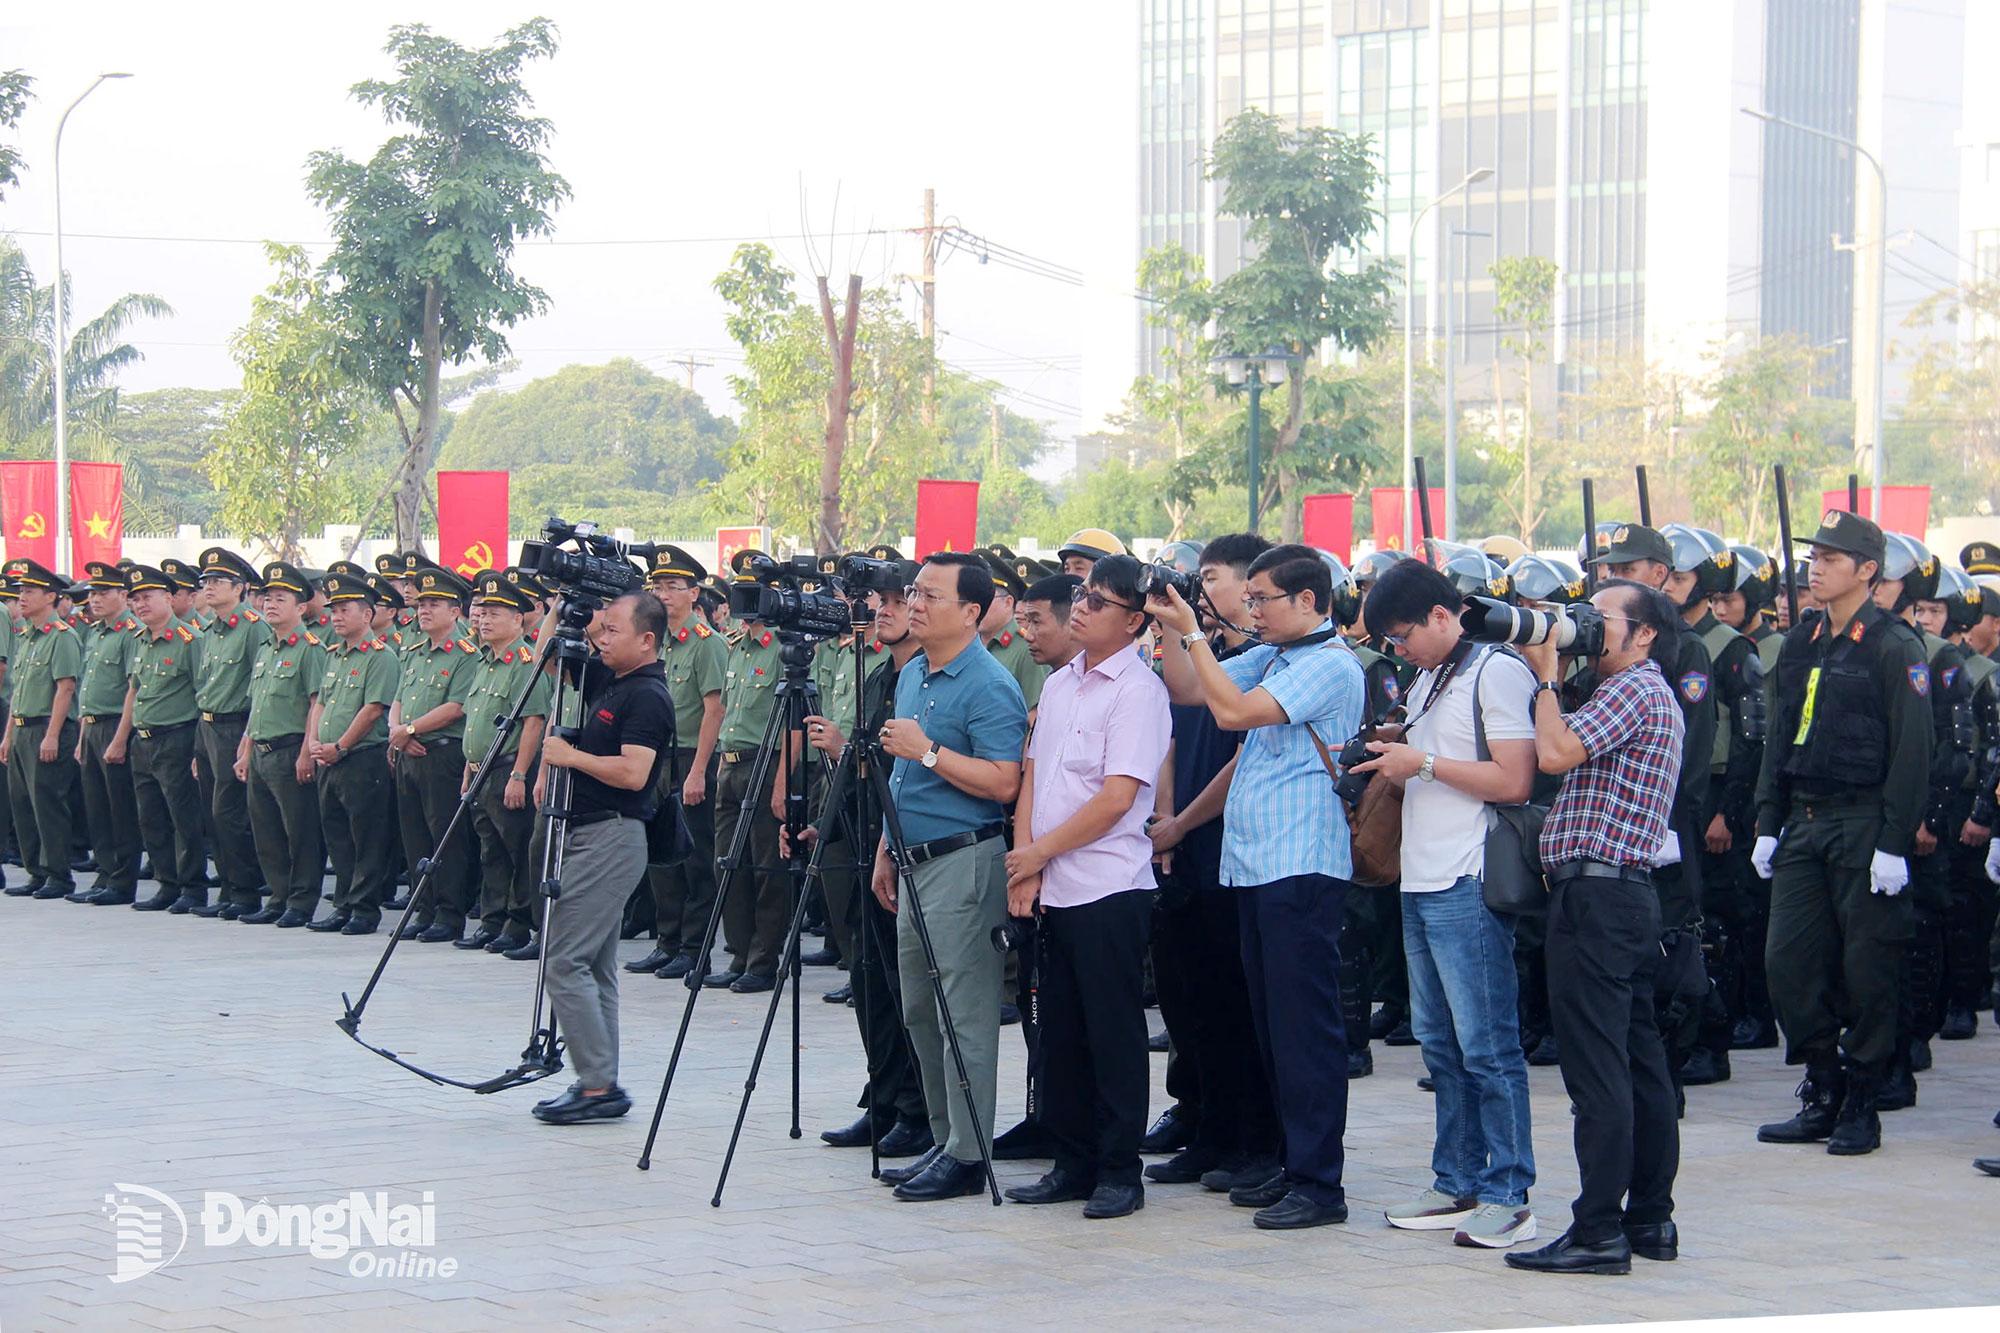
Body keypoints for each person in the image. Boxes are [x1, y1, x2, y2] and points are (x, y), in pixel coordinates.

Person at [1151, 543, 1365, 1231]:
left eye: (1264, 598)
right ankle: (1288, 1159)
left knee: (1304, 1029)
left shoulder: (1329, 663)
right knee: (1272, 1024)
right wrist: (1168, 617)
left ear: (1309, 600)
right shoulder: (1277, 655)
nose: (1252, 609)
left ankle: (1318, 1181)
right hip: (1258, 862)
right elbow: (1190, 687)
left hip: (1300, 862)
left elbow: (1234, 713)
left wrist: (1190, 629)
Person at [1354, 558, 1541, 1250]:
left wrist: (1422, 763)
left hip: (1468, 878)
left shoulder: (1497, 670)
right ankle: (1456, 1180)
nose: (1397, 651)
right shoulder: (1433, 674)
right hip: (1421, 879)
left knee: (1488, 1045)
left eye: (1403, 635)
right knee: (1440, 1046)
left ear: (1442, 615)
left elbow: (1515, 779)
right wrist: (1399, 749)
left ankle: (1510, 1191)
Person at [1504, 578, 1685, 1277]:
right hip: (1622, 899)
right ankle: (1649, 1217)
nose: (1582, 626)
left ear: (1643, 634)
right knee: (1640, 1065)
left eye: (1598, 618)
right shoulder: (1629, 690)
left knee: (1598, 1070)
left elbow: (1554, 754)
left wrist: (1548, 677)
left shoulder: (1636, 688)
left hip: (1598, 901)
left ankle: (1598, 1228)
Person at [1751, 511, 1931, 1156]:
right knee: (1788, 963)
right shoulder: (1800, 641)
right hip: (1802, 819)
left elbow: (1913, 750)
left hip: (1863, 822)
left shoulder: (1892, 644)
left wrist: (1894, 841)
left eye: (1831, 558)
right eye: (1814, 556)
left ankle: (1861, 1098)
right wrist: (1767, 820)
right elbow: (1780, 736)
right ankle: (1821, 1084)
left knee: (1868, 966)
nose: (1816, 566)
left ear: (1867, 570)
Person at [1002, 555, 1171, 1220]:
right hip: (1052, 882)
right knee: (1058, 1033)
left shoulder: (1138, 690)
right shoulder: (1065, 684)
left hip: (1108, 885)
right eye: (1080, 595)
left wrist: (1039, 851)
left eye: (1098, 601)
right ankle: (1069, 1159)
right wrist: (1028, 861)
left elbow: (1118, 798)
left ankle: (1118, 1168)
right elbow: (1035, 778)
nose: (1081, 607)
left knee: (1112, 1032)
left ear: (1133, 620)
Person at [867, 551, 1027, 1201]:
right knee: (919, 1007)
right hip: (913, 857)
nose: (914, 603)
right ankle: (942, 1135)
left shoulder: (988, 683)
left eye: (930, 595)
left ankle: (968, 1150)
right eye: (914, 592)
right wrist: (885, 845)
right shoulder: (914, 676)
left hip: (964, 861)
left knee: (963, 1010)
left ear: (971, 611)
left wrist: (928, 750)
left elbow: (1005, 781)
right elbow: (900, 778)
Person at [1142, 537, 1280, 1196]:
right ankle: (1205, 1127)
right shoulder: (1197, 654)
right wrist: (1164, 824)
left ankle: (1249, 1139)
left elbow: (1240, 756)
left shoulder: (1257, 662)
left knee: (1234, 1004)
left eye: (1214, 578)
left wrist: (1185, 819)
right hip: (1182, 844)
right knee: (1187, 1000)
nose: (1204, 589)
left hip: (1229, 842)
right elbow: (1171, 725)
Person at [801, 567, 933, 1159]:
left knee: (906, 984)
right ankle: (882, 1099)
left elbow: (907, 768)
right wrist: (824, 822)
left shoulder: (928, 681)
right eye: (874, 601)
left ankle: (915, 1108)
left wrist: (847, 747)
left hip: (909, 845)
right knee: (869, 980)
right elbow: (863, 774)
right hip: (863, 841)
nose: (879, 610)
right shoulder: (880, 674)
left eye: (894, 600)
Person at [530, 591, 673, 1125]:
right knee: (594, 965)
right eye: (600, 628)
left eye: (612, 630)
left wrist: (571, 757)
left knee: (564, 959)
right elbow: (548, 655)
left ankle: (596, 1085)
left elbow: (635, 774)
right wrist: (560, 605)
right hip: (590, 834)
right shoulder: (613, 679)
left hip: (612, 836)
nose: (600, 638)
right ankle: (599, 1078)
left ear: (647, 639)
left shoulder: (648, 696)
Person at [625, 546, 726, 979]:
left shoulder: (708, 644)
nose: (664, 594)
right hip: (655, 755)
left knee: (695, 856)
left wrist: (699, 770)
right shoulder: (653, 642)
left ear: (694, 593)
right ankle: (666, 941)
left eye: (673, 587)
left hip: (689, 756)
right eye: (658, 586)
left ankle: (694, 946)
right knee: (659, 853)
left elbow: (714, 709)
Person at [457, 571, 550, 954]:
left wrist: (519, 775)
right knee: (489, 850)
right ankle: (491, 920)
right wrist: (468, 771)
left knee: (516, 849)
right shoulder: (484, 661)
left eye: (496, 612)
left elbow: (533, 722)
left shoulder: (525, 662)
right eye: (483, 610)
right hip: (480, 769)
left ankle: (518, 923)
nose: (485, 618)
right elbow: (475, 721)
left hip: (507, 767)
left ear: (518, 619)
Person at [388, 566, 481, 944]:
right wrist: (398, 733)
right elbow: (397, 698)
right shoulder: (413, 650)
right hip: (408, 752)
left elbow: (457, 706)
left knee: (446, 837)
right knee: (414, 837)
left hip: (441, 753)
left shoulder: (465, 653)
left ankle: (448, 912)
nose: (423, 610)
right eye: (422, 603)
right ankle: (422, 908)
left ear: (455, 611)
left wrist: (409, 730)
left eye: (435, 604)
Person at [306, 572, 399, 937]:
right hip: (328, 758)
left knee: (366, 836)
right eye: (334, 610)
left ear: (367, 614)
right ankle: (343, 902)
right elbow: (321, 703)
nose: (337, 616)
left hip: (360, 757)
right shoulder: (335, 655)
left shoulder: (381, 656)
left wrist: (340, 745)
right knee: (337, 835)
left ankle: (363, 908)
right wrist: (315, 741)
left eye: (345, 610)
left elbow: (374, 708)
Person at [704, 593, 787, 993]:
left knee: (766, 867)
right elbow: (727, 709)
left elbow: (793, 720)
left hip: (765, 761)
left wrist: (784, 781)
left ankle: (763, 959)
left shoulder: (781, 648)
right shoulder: (735, 645)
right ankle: (738, 953)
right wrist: (721, 759)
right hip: (731, 762)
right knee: (728, 863)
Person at [236, 562, 327, 927]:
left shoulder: (310, 649)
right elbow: (256, 703)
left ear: (301, 607)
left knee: (299, 829)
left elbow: (315, 705)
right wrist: (244, 750)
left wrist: (307, 752)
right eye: (267, 598)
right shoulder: (266, 649)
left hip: (291, 748)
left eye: (280, 599)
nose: (270, 604)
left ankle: (302, 900)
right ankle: (278, 895)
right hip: (260, 748)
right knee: (267, 829)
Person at [1, 558, 83, 901]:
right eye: (20, 591)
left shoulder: (62, 636)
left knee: (47, 803)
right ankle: (35, 870)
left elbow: (64, 688)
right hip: (21, 727)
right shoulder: (28, 636)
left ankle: (58, 875)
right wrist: (7, 735)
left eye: (30, 591)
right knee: (23, 805)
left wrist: (52, 734)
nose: (22, 596)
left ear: (50, 596)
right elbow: (18, 690)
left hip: (47, 729)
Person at [68, 561, 140, 906]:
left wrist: (120, 738)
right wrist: (83, 737)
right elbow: (87, 691)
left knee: (119, 808)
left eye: (103, 592)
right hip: (92, 726)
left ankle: (123, 880)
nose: (94, 599)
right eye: (92, 593)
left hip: (115, 726)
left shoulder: (131, 633)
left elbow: (133, 690)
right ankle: (106, 873)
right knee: (97, 807)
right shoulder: (96, 632)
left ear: (123, 595)